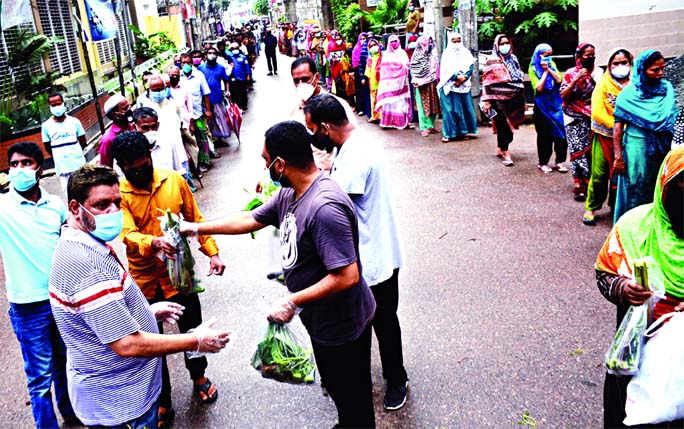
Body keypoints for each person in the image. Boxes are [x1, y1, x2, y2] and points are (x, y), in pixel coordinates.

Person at [181, 121, 377, 428]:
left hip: (343, 323)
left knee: (354, 396)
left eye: (265, 161)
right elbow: (250, 217)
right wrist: (197, 229)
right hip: (320, 318)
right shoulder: (291, 194)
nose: (264, 168)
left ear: (281, 164)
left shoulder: (324, 206)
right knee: (337, 387)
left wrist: (292, 301)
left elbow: (347, 276)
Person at [49, 164, 230, 428]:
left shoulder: (85, 246)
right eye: (101, 205)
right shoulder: (87, 265)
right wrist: (195, 341)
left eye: (116, 203)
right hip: (121, 407)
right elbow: (127, 344)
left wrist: (147, 312)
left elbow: (101, 315)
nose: (113, 212)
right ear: (75, 208)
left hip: (124, 398)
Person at [110, 131, 226, 427]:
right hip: (145, 281)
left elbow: (195, 220)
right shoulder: (118, 194)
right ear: (121, 167)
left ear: (150, 157)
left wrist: (212, 252)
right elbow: (127, 233)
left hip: (180, 275)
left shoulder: (173, 180)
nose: (138, 171)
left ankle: (199, 376)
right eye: (131, 167)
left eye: (143, 164)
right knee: (152, 344)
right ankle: (163, 399)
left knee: (193, 329)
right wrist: (154, 243)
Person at [304, 94, 409, 411]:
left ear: (325, 127)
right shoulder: (349, 148)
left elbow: (330, 198)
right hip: (366, 252)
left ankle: (396, 380)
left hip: (373, 257)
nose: (314, 138)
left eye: (313, 131)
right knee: (370, 322)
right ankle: (367, 379)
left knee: (382, 322)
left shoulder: (357, 156)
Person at [595, 146, 684, 429]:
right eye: (680, 189)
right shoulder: (635, 226)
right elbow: (604, 273)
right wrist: (622, 288)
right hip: (637, 349)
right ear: (664, 189)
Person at [0, 142, 80, 429]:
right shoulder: (2, 207)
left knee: (65, 365)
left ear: (40, 168)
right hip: (27, 308)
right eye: (14, 164)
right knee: (39, 377)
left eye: (26, 163)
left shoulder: (55, 206)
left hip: (60, 301)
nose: (20, 169)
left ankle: (71, 413)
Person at [613, 49, 678, 223]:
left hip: (662, 147)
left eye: (662, 69)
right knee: (636, 189)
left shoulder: (667, 89)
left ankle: (654, 230)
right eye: (654, 70)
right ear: (642, 70)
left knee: (660, 188)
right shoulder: (628, 95)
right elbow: (618, 128)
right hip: (637, 149)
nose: (660, 74)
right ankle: (631, 230)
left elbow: (672, 119)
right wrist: (618, 157)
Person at [582, 48, 633, 226]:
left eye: (624, 63)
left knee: (622, 175)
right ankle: (591, 207)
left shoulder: (636, 85)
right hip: (605, 137)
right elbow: (597, 113)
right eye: (616, 63)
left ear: (631, 63)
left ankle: (616, 206)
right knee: (599, 174)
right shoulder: (603, 85)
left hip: (630, 140)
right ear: (609, 66)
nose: (620, 67)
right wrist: (620, 127)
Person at [561, 43, 601, 201]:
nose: (590, 58)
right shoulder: (571, 73)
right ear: (579, 57)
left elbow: (603, 92)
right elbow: (563, 95)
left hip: (592, 117)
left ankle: (589, 182)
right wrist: (576, 79)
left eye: (593, 55)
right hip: (573, 117)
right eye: (587, 55)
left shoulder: (599, 72)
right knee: (577, 151)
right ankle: (579, 183)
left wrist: (592, 78)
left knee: (590, 151)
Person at [481, 34, 526, 166]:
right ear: (496, 45)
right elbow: (486, 82)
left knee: (511, 127)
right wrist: (487, 101)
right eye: (502, 44)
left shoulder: (513, 59)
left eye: (507, 43)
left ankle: (501, 146)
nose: (505, 46)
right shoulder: (492, 60)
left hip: (513, 97)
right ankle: (506, 153)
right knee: (503, 126)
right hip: (496, 100)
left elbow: (519, 76)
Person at [529, 43, 567, 173]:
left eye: (550, 56)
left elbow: (559, 80)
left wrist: (549, 69)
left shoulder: (553, 65)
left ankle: (560, 161)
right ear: (539, 55)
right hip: (542, 106)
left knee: (561, 134)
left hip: (556, 105)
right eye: (546, 56)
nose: (548, 59)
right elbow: (538, 88)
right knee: (544, 136)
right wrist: (544, 72)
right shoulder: (533, 69)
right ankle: (543, 162)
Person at [132, 105, 190, 185]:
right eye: (145, 128)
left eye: (153, 126)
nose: (150, 131)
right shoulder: (131, 150)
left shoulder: (168, 142)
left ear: (158, 125)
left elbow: (179, 171)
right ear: (135, 127)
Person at [41, 93, 87, 191]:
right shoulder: (46, 126)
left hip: (79, 165)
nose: (56, 107)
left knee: (84, 191)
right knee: (69, 194)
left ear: (63, 103)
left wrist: (74, 152)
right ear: (49, 107)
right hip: (62, 167)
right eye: (53, 105)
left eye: (58, 104)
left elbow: (83, 141)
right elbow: (48, 147)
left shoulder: (74, 122)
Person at [437, 31, 478, 142]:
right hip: (449, 85)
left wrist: (463, 78)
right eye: (454, 41)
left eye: (459, 41)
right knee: (450, 111)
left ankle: (463, 132)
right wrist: (456, 78)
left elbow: (470, 67)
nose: (456, 43)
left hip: (463, 85)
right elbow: (445, 71)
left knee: (464, 109)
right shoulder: (446, 54)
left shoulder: (466, 53)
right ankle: (449, 134)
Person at [179, 52, 214, 171]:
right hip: (185, 117)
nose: (185, 65)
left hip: (198, 114)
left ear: (191, 62)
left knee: (202, 138)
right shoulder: (177, 77)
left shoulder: (199, 75)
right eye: (183, 63)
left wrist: (208, 110)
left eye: (188, 62)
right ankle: (195, 164)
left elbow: (205, 94)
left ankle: (205, 161)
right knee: (191, 141)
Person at [375, 35, 412, 130]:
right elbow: (384, 70)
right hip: (389, 86)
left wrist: (402, 68)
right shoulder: (386, 55)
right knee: (389, 104)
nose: (393, 43)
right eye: (391, 42)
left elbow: (407, 65)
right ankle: (388, 123)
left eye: (395, 41)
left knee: (401, 103)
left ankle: (402, 122)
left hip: (401, 83)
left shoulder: (402, 52)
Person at [199, 46, 233, 146]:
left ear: (217, 56)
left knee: (220, 119)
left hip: (217, 97)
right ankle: (211, 140)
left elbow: (226, 80)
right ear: (206, 55)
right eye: (210, 53)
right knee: (209, 121)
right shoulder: (201, 68)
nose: (212, 55)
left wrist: (227, 91)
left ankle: (220, 138)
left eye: (214, 53)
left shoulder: (221, 68)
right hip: (205, 100)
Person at [409, 35, 440, 137]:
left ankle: (431, 125)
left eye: (429, 42)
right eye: (424, 43)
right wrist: (419, 79)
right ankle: (423, 127)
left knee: (434, 105)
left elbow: (436, 68)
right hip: (420, 84)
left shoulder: (433, 54)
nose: (427, 45)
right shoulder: (416, 55)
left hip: (432, 83)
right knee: (422, 106)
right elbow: (414, 69)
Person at [227, 42, 252, 111]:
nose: (235, 50)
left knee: (243, 92)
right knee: (235, 93)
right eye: (233, 48)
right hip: (233, 78)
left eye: (236, 48)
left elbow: (247, 67)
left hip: (242, 77)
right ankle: (238, 105)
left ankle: (244, 105)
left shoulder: (243, 57)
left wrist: (248, 75)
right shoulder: (230, 58)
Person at [352, 32, 370, 117]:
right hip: (358, 70)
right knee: (359, 90)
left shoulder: (369, 47)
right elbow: (355, 61)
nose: (363, 41)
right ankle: (360, 108)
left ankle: (367, 108)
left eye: (364, 39)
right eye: (361, 39)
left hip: (368, 69)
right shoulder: (356, 49)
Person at [365, 38, 383, 123]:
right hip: (373, 81)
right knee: (373, 99)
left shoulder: (383, 57)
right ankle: (374, 116)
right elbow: (367, 72)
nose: (373, 47)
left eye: (374, 45)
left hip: (382, 81)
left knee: (382, 99)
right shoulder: (369, 59)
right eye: (371, 46)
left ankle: (382, 116)